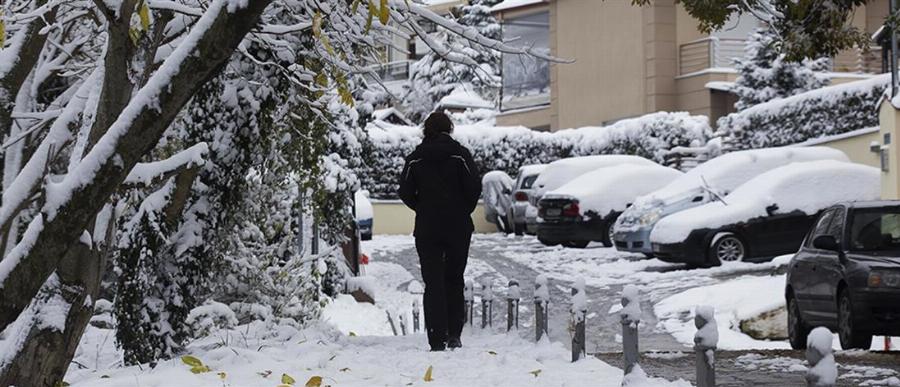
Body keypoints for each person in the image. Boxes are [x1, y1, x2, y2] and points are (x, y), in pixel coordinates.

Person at [399, 112, 481, 351]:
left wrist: (422, 208)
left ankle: (436, 338)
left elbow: (405, 191)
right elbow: (474, 187)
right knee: (454, 278)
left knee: (433, 282)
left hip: (428, 227)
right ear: (450, 129)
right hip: (458, 227)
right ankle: (454, 334)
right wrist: (462, 210)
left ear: (426, 130)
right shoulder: (461, 155)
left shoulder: (415, 158)